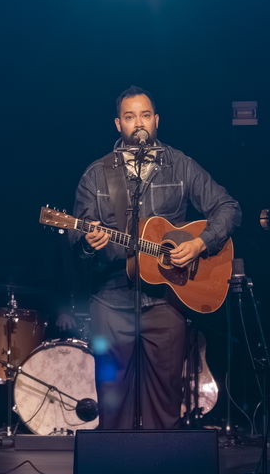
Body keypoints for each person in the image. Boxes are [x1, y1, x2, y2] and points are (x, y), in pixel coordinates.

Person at [66, 86, 240, 429]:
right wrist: (88, 242)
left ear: (156, 120)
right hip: (112, 299)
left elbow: (228, 208)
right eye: (130, 117)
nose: (139, 123)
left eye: (145, 115)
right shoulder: (97, 174)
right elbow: (76, 239)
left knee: (165, 401)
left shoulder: (181, 165)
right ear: (118, 124)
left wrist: (200, 243)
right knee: (113, 397)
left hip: (167, 299)